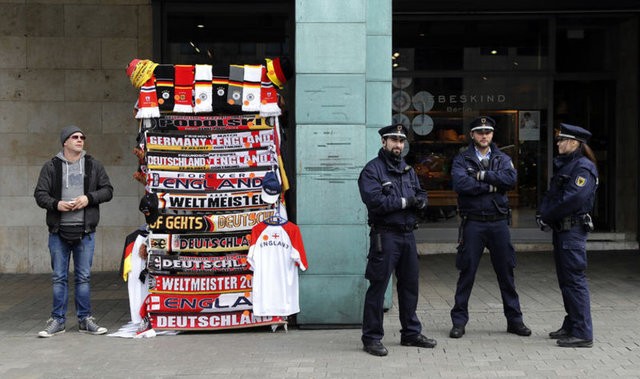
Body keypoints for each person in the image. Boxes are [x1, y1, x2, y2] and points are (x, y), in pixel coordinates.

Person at [357, 123, 436, 357]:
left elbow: (420, 192)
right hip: (385, 235)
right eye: (393, 140)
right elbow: (375, 202)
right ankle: (371, 338)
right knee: (378, 287)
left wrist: (422, 201)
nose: (398, 145)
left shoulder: (408, 169)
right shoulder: (372, 170)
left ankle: (411, 333)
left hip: (407, 234)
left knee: (410, 285)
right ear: (384, 142)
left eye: (401, 141)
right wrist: (406, 202)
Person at [449, 116, 531, 339]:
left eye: (488, 132)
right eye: (479, 132)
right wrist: (494, 186)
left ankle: (515, 321)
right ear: (472, 135)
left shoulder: (502, 157)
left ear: (492, 135)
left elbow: (510, 179)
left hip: (498, 222)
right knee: (466, 273)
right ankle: (459, 322)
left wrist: (481, 176)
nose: (484, 135)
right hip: (473, 222)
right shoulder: (461, 159)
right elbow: (460, 184)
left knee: (506, 274)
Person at [34, 125, 114, 337]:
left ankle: (85, 320)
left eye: (82, 137)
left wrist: (89, 198)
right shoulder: (51, 166)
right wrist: (56, 204)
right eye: (75, 137)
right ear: (65, 142)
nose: (80, 140)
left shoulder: (93, 165)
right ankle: (57, 321)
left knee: (84, 277)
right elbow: (40, 194)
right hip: (58, 231)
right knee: (59, 277)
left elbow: (108, 190)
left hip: (85, 231)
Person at [537, 123, 598, 348]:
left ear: (574, 143)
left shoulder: (583, 168)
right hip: (563, 230)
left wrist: (547, 215)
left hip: (572, 231)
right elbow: (553, 194)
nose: (559, 143)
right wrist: (542, 213)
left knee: (574, 281)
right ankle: (572, 324)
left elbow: (572, 199)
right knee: (566, 282)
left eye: (562, 140)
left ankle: (582, 332)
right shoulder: (568, 165)